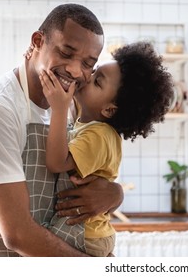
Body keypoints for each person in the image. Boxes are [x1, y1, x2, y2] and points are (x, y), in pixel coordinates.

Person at [0, 4, 123, 257]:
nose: (76, 71)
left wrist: (115, 194)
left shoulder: (72, 103)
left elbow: (95, 170)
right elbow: (17, 235)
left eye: (89, 64)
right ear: (37, 41)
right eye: (66, 53)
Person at [40, 42, 173, 257]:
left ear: (109, 109)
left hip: (85, 235)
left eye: (97, 82)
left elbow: (56, 163)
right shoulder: (89, 124)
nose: (86, 77)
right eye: (93, 71)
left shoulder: (99, 135)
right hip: (88, 233)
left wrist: (59, 107)